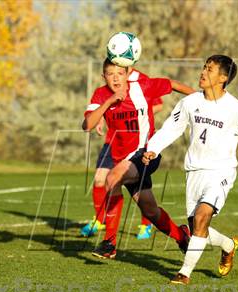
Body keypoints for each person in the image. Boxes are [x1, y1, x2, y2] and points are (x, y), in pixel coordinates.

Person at [143, 55, 238, 284]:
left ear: (223, 77)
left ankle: (184, 274)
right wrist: (153, 148)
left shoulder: (236, 109)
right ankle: (228, 246)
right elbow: (172, 127)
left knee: (201, 217)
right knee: (198, 227)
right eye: (203, 67)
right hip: (194, 172)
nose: (202, 72)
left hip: (221, 172)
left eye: (209, 69)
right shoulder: (190, 102)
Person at [82, 58, 195, 259]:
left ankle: (109, 243)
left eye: (120, 73)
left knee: (112, 179)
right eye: (110, 74)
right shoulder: (101, 94)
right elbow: (87, 125)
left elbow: (172, 84)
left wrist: (201, 99)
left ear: (128, 73)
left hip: (146, 154)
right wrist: (108, 103)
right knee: (151, 211)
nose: (116, 78)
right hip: (123, 159)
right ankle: (182, 236)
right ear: (103, 76)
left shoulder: (142, 86)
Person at [80, 76, 163, 240]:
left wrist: (133, 114)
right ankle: (100, 220)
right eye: (110, 72)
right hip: (112, 143)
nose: (115, 75)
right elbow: (91, 119)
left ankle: (146, 224)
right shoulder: (103, 91)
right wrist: (101, 118)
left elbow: (159, 104)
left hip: (136, 145)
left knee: (140, 191)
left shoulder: (141, 80)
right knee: (99, 179)